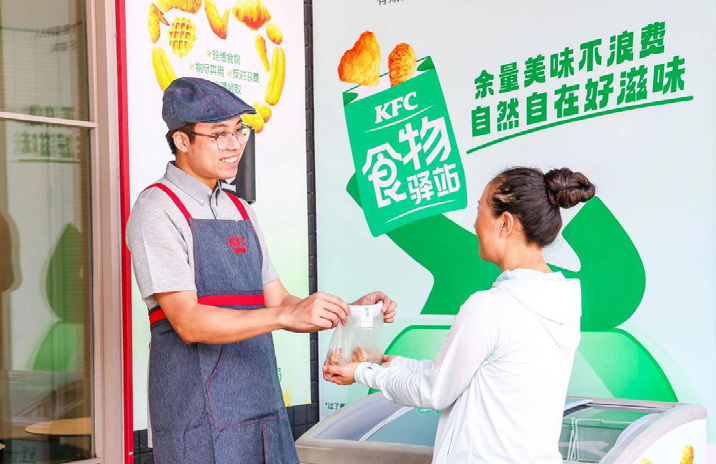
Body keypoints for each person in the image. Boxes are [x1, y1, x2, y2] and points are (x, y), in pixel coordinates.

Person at [126, 77, 397, 464]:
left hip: (262, 405)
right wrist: (286, 316)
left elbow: (279, 300)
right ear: (182, 141)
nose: (235, 144)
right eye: (219, 134)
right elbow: (188, 322)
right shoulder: (157, 209)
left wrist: (347, 312)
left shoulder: (240, 209)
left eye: (239, 130)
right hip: (197, 416)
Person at [324, 166, 596, 464]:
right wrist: (395, 365)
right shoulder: (561, 303)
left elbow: (434, 392)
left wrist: (363, 373)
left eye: (480, 211)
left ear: (505, 223)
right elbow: (471, 376)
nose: (476, 224)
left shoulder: (490, 306)